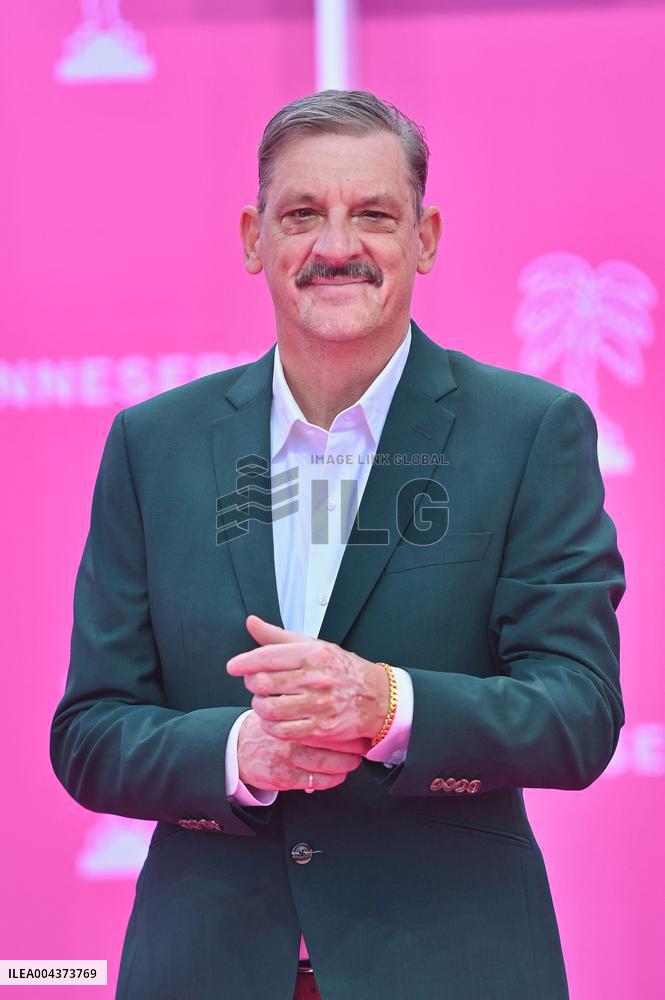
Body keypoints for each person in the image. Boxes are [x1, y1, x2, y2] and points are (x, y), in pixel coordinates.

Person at [50, 90, 625, 1000]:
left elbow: (577, 714)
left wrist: (388, 703)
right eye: (302, 214)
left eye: (373, 215)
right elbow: (89, 732)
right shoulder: (152, 445)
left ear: (425, 238)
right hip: (206, 967)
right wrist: (237, 752)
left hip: (452, 967)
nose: (336, 247)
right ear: (253, 238)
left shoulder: (529, 432)